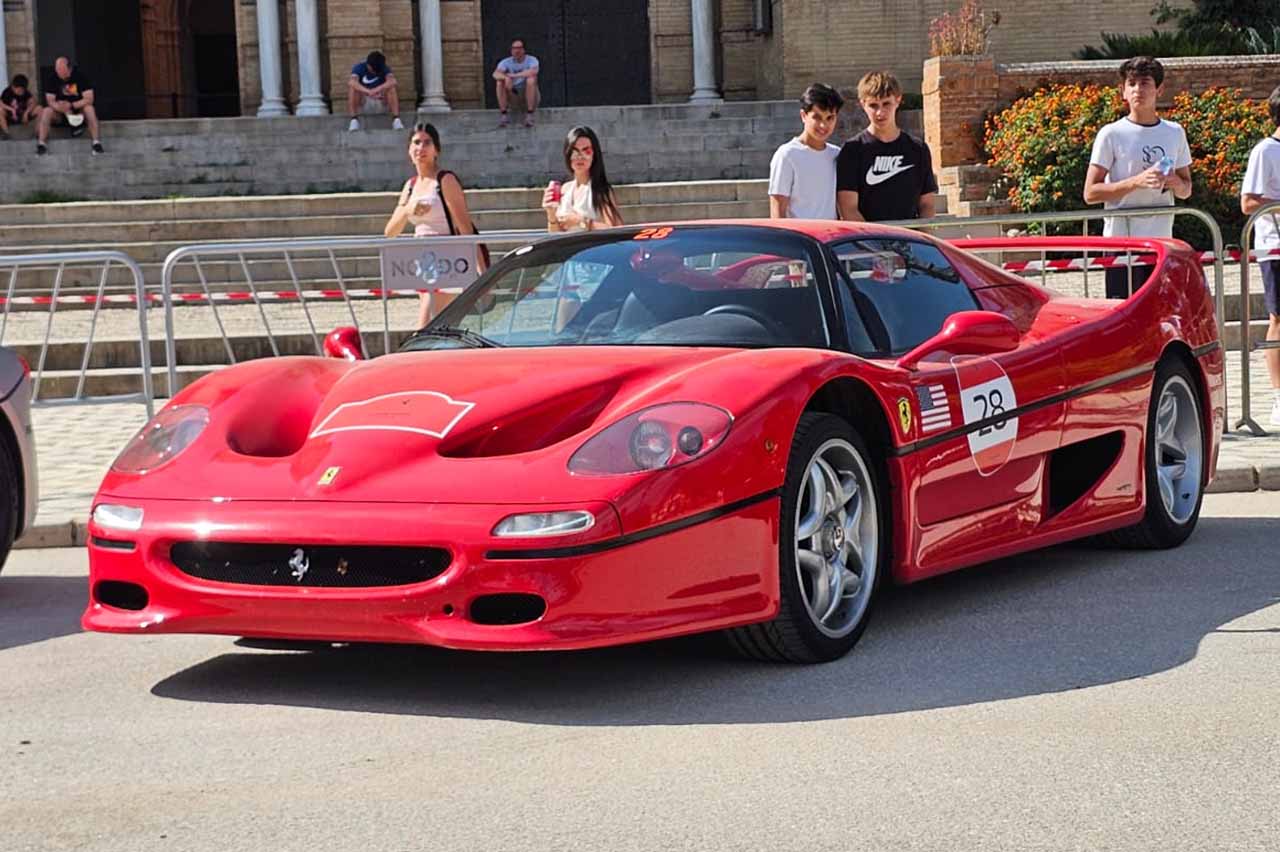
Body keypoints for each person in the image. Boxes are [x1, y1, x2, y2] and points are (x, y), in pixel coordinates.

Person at [1083, 56, 1192, 299]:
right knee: (1123, 309)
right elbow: (1090, 193)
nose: (1137, 90)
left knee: (1158, 310)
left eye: (1144, 83)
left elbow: (1187, 189)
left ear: (1159, 90)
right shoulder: (1111, 134)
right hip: (1122, 241)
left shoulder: (1174, 132)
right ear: (1122, 91)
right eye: (1131, 84)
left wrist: (1175, 183)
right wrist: (1136, 182)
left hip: (1161, 241)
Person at [383, 122, 481, 328]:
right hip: (422, 264)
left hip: (447, 262)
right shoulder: (410, 186)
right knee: (438, 327)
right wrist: (408, 210)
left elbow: (465, 227)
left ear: (437, 149)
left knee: (425, 326)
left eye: (427, 142)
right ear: (409, 150)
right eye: (416, 142)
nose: (421, 148)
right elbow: (390, 232)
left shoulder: (445, 180)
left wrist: (481, 269)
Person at [837, 70, 937, 222]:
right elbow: (848, 208)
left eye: (886, 104)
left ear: (898, 100)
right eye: (873, 105)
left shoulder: (918, 149)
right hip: (867, 236)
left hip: (908, 235)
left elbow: (927, 205)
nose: (880, 112)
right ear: (862, 104)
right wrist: (875, 237)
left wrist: (921, 234)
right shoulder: (852, 150)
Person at [1240, 84, 1280, 427]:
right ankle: (1279, 395)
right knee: (1279, 319)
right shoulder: (1265, 151)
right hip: (1275, 246)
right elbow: (1248, 202)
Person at [768, 83, 843, 220]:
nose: (823, 125)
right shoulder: (787, 155)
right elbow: (777, 211)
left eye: (830, 118)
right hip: (799, 233)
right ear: (804, 115)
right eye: (817, 117)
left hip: (831, 232)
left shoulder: (837, 154)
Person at [541, 126, 623, 232]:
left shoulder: (600, 190)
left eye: (586, 151)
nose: (580, 157)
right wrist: (551, 215)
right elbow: (555, 234)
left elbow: (614, 230)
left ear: (594, 155)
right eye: (574, 151)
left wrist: (581, 221)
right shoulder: (565, 189)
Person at [37, 56, 103, 156]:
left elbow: (89, 98)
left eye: (61, 69)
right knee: (46, 111)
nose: (58, 71)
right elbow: (50, 101)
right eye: (57, 69)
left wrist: (72, 105)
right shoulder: (52, 78)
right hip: (60, 113)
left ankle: (96, 143)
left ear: (69, 68)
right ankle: (41, 144)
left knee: (89, 109)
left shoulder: (80, 77)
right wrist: (62, 108)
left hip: (79, 112)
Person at [347, 50, 403, 132]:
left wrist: (377, 89)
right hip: (364, 102)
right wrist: (368, 92)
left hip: (381, 101)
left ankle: (396, 119)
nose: (375, 71)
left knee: (391, 87)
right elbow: (351, 82)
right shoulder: (359, 67)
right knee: (353, 88)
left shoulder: (384, 67)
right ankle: (354, 120)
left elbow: (393, 81)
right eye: (373, 69)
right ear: (368, 65)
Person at [493, 39, 540, 128]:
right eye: (514, 48)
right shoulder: (506, 62)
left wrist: (513, 76)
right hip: (513, 94)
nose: (516, 51)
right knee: (499, 82)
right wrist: (506, 78)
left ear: (524, 50)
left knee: (531, 80)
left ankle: (530, 114)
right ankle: (504, 114)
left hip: (528, 95)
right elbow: (495, 74)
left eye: (519, 48)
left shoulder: (531, 60)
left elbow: (533, 71)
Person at [0, 74, 39, 140]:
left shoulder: (26, 92)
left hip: (22, 116)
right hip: (11, 116)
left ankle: (38, 132)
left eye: (22, 90)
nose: (21, 92)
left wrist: (27, 112)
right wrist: (11, 109)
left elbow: (33, 102)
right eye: (19, 90)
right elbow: (1, 103)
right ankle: (6, 133)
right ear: (13, 87)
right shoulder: (7, 92)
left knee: (39, 109)